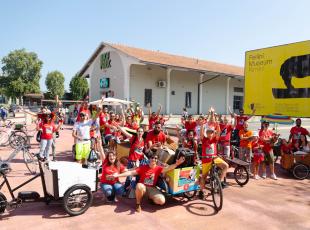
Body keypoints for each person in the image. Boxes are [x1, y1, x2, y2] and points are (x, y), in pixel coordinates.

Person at [107, 151, 185, 212]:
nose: (153, 159)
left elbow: (169, 168)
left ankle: (151, 198)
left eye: (155, 158)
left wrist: (177, 164)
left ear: (156, 160)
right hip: (142, 187)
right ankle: (138, 204)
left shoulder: (158, 168)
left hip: (152, 188)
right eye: (152, 158)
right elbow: (130, 172)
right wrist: (117, 175)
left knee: (161, 201)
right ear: (149, 159)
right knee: (139, 186)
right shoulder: (143, 167)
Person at [200, 124, 229, 193]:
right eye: (208, 132)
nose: (210, 134)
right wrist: (202, 125)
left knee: (226, 166)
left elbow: (218, 132)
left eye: (211, 132)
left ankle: (219, 182)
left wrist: (217, 124)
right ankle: (201, 191)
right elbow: (201, 133)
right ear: (206, 133)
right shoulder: (204, 139)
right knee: (204, 176)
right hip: (206, 160)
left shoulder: (214, 140)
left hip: (214, 159)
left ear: (213, 133)